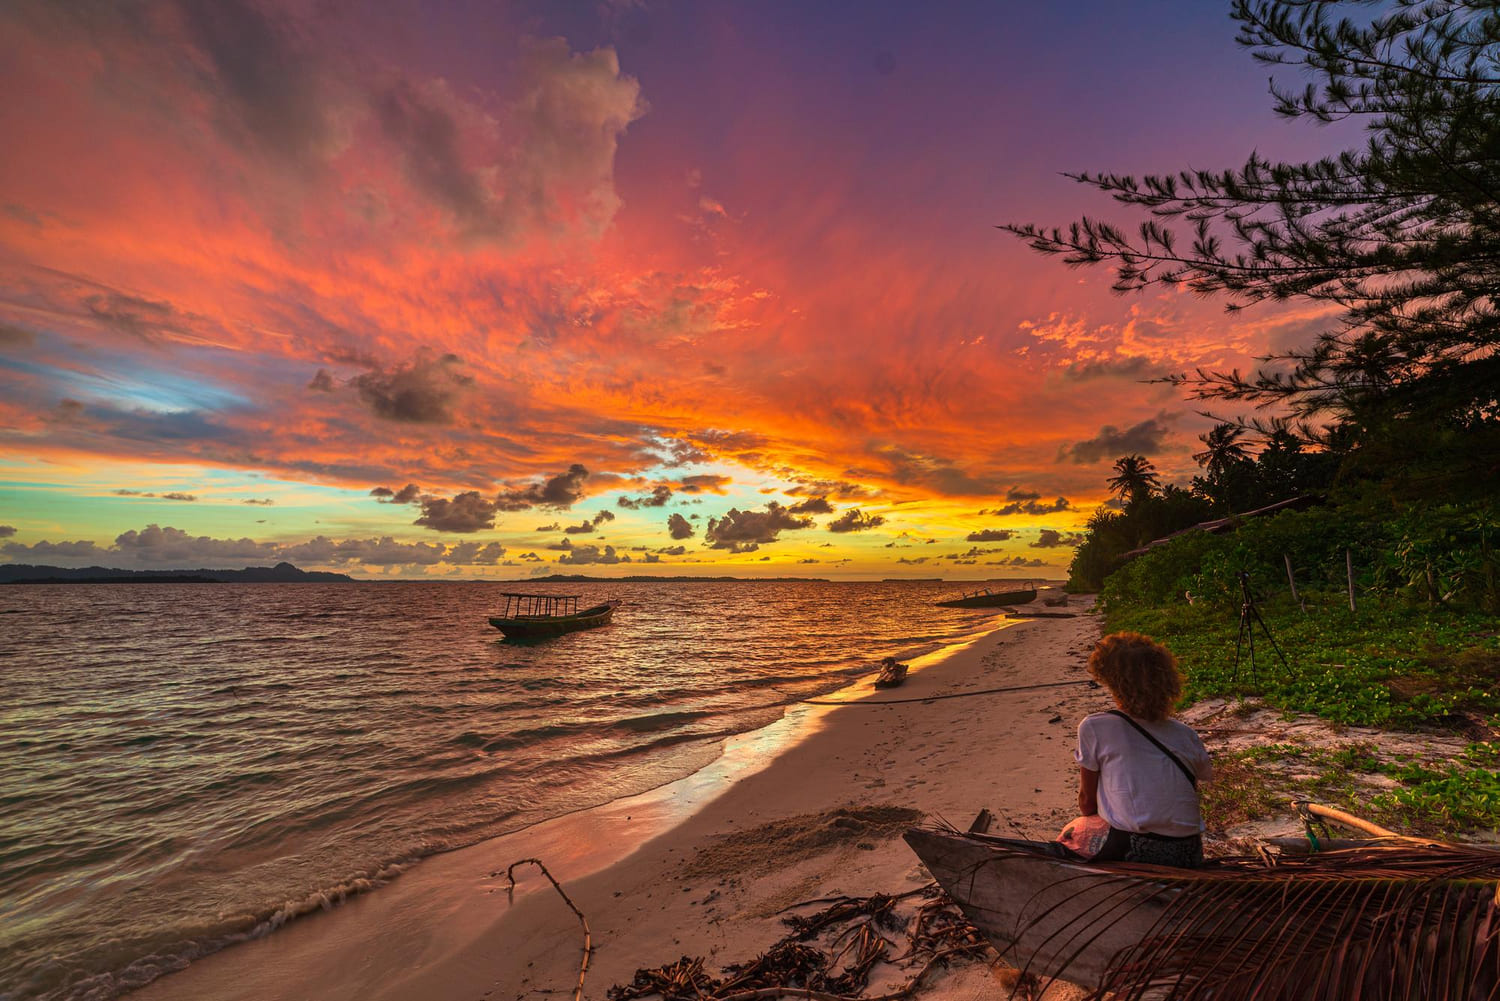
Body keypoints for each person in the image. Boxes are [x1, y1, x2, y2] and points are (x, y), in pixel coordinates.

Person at [1073, 632, 1212, 867]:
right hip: (1189, 851)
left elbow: (1087, 803)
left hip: (1138, 849)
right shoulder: (1184, 733)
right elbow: (1204, 774)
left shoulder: (1095, 726)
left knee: (1073, 835)